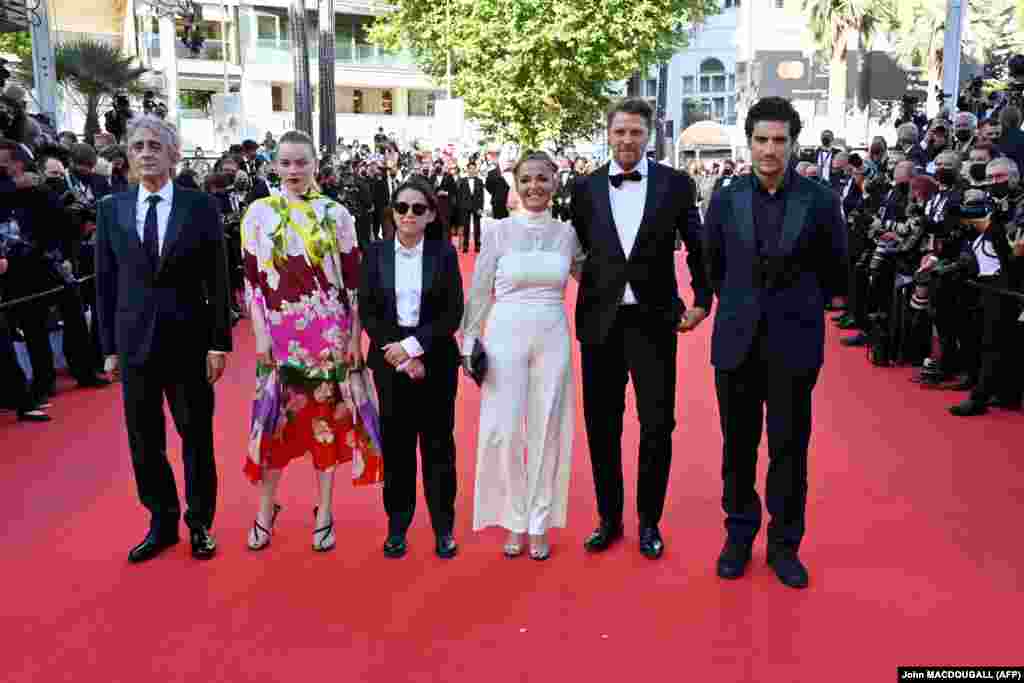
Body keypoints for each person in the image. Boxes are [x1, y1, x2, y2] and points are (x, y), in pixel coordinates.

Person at [702, 96, 848, 589]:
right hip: (737, 342)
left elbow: (835, 268)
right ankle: (739, 536)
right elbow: (713, 265)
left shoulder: (820, 200)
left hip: (795, 343)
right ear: (749, 142)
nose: (770, 149)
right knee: (737, 449)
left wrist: (797, 307)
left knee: (790, 450)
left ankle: (785, 544)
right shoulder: (725, 199)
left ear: (793, 143)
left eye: (779, 140)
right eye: (761, 139)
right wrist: (741, 303)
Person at [570, 97, 712, 559]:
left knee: (657, 424)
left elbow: (697, 245)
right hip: (600, 324)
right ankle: (609, 519)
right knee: (601, 425)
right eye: (620, 131)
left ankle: (649, 521)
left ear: (648, 136)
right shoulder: (584, 187)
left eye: (635, 132)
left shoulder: (676, 184)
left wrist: (702, 300)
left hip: (654, 322)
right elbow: (578, 247)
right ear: (608, 134)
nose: (627, 140)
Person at [95, 115, 232, 563]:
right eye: (138, 146)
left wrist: (219, 342)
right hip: (134, 341)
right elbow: (105, 282)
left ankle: (200, 522)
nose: (146, 153)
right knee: (143, 439)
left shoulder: (200, 206)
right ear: (128, 156)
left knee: (196, 437)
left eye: (155, 145)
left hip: (189, 341)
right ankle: (161, 521)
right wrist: (108, 348)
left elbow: (218, 277)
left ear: (173, 154)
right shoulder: (112, 209)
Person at [240, 129, 376, 553]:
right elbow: (252, 283)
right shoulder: (258, 214)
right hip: (278, 340)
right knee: (273, 425)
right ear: (274, 165)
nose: (293, 170)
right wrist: (260, 334)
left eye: (301, 162)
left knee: (325, 427)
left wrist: (353, 337)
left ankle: (325, 511)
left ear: (315, 164)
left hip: (328, 338)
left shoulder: (337, 214)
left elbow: (353, 284)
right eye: (285, 162)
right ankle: (266, 509)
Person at [461, 151, 581, 561]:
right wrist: (469, 343)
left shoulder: (567, 234)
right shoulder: (497, 231)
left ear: (555, 182)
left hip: (552, 335)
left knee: (548, 428)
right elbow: (480, 292)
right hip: (504, 335)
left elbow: (597, 277)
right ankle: (514, 518)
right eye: (526, 179)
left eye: (542, 178)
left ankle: (539, 522)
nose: (534, 186)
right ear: (515, 183)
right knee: (506, 429)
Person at [359, 177, 464, 560]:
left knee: (439, 446)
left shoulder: (444, 253)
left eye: (418, 208)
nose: (408, 215)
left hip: (435, 360)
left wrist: (414, 348)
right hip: (390, 361)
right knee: (398, 446)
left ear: (431, 214)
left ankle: (443, 527)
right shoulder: (375, 253)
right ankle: (397, 525)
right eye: (401, 207)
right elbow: (368, 309)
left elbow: (452, 312)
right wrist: (400, 355)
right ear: (392, 211)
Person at [456, 160, 485, 253]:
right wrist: (460, 208)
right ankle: (465, 246)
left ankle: (477, 246)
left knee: (477, 227)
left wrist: (481, 208)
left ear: (476, 169)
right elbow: (459, 195)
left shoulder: (480, 181)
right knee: (466, 227)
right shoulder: (462, 181)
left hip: (477, 206)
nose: (472, 170)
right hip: (465, 206)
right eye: (470, 168)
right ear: (467, 170)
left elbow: (482, 196)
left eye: (473, 168)